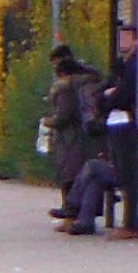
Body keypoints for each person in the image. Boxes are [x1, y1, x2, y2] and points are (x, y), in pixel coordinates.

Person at [64, 38, 138, 238]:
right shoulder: (127, 67)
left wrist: (107, 99)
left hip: (124, 126)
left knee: (102, 170)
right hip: (120, 125)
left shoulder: (134, 66)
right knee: (97, 174)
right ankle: (84, 220)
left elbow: (120, 96)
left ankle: (73, 208)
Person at [43, 46, 99, 222]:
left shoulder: (66, 87)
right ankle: (80, 215)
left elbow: (63, 116)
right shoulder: (88, 80)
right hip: (88, 135)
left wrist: (47, 121)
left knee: (69, 174)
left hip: (70, 138)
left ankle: (71, 214)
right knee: (82, 174)